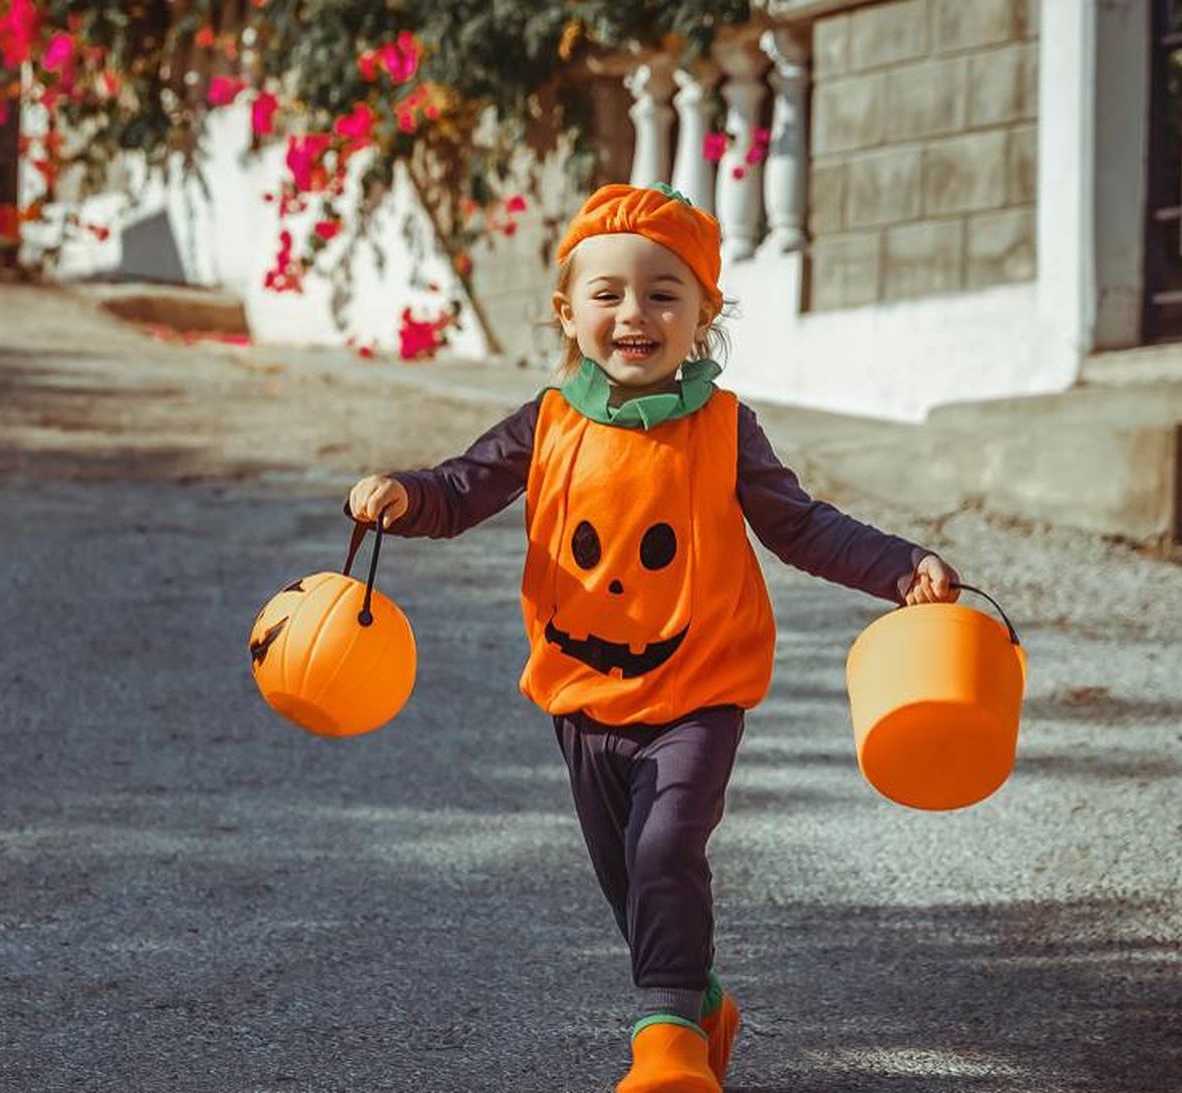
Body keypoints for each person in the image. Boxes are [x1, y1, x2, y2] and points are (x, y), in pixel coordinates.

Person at [345, 183, 960, 1093]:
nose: (635, 312)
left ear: (703, 314)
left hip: (699, 692)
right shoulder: (548, 421)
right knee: (627, 879)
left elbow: (800, 525)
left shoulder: (723, 428)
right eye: (609, 293)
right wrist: (405, 493)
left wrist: (900, 567)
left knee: (667, 846)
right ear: (567, 312)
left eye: (664, 293)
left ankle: (666, 1042)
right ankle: (700, 999)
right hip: (584, 697)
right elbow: (464, 486)